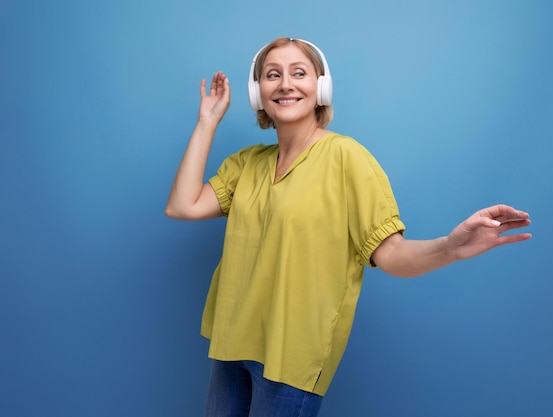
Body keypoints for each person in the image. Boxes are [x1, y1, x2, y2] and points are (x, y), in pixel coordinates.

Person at [165, 37, 532, 417]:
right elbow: (182, 206)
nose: (285, 84)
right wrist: (208, 122)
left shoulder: (347, 159)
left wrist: (451, 247)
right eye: (272, 75)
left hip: (292, 359)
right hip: (232, 344)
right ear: (257, 93)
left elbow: (390, 254)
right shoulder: (247, 164)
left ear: (321, 87)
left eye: (299, 73)